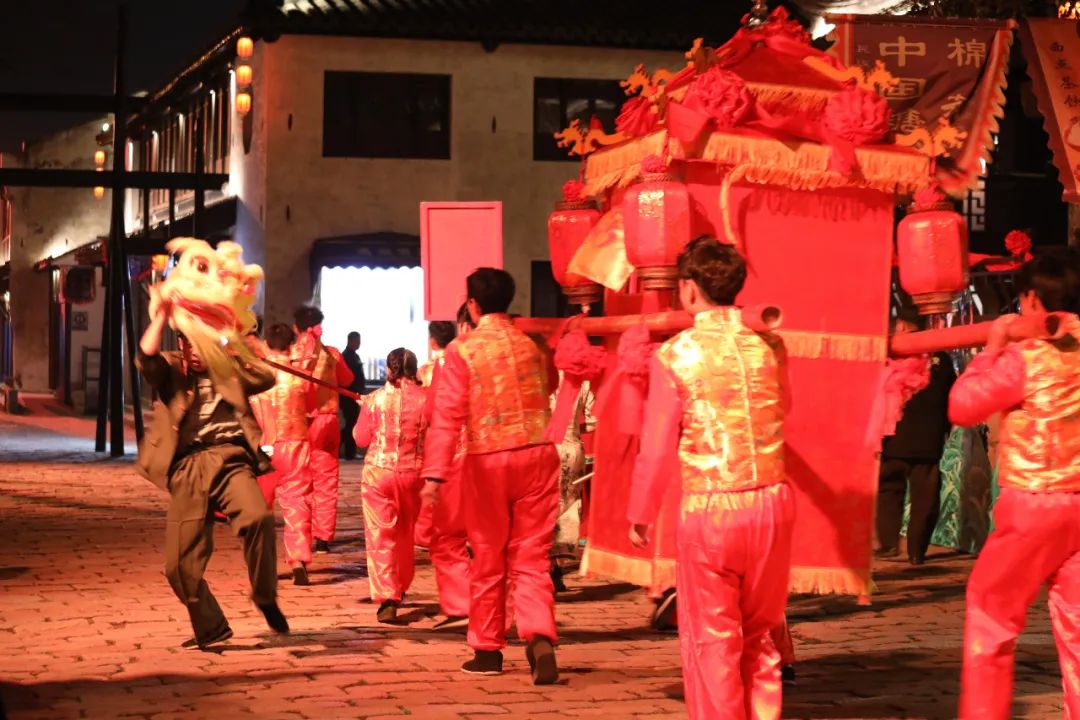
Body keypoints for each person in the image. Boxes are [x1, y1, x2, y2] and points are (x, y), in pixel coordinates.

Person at [628, 237, 793, 719]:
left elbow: (657, 443)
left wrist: (640, 512)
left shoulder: (677, 355)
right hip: (772, 500)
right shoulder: (768, 346)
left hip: (712, 507)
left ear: (689, 288)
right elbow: (783, 409)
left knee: (713, 638)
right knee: (761, 631)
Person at [950, 253, 1080, 720]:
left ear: (1032, 299)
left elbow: (964, 406)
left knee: (991, 615)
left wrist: (991, 348)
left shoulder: (1027, 357)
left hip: (1034, 505)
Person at [422, 269, 561, 684]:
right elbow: (550, 384)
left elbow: (447, 416)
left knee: (487, 554)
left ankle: (487, 650)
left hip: (488, 460)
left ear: (472, 304)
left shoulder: (462, 350)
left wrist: (434, 476)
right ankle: (538, 635)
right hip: (538, 453)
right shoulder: (533, 345)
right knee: (532, 555)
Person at [136, 298, 288, 650]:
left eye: (200, 344)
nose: (193, 352)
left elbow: (266, 375)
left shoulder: (228, 370)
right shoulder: (172, 369)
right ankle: (211, 626)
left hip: (230, 458)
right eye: (188, 344)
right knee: (179, 567)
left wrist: (233, 348)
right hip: (188, 465)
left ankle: (265, 595)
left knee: (258, 518)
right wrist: (161, 314)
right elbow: (146, 356)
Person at [354, 348, 428, 624]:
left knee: (380, 535)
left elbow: (360, 439)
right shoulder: (427, 399)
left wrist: (365, 410)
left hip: (379, 473)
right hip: (414, 474)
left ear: (389, 369)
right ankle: (401, 584)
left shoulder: (375, 400)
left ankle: (388, 594)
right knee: (405, 533)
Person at [876, 310, 956, 565]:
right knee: (924, 498)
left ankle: (890, 545)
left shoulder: (888, 360)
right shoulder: (940, 359)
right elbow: (953, 398)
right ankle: (915, 551)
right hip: (926, 440)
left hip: (896, 438)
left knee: (891, 491)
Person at [420, 314, 472, 630]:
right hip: (505, 454)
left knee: (447, 535)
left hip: (458, 456)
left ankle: (461, 604)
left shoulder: (445, 362)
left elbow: (435, 413)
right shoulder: (516, 349)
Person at [293, 306, 354, 554]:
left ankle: (301, 534)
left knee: (300, 481)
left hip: (301, 424)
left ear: (296, 327)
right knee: (326, 480)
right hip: (328, 421)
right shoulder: (332, 354)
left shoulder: (290, 355)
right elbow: (347, 380)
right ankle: (323, 538)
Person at [263, 323, 316, 585]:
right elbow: (312, 407)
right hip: (295, 442)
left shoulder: (257, 374)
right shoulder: (301, 377)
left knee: (259, 508)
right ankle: (297, 558)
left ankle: (261, 563)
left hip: (264, 446)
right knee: (297, 502)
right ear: (291, 345)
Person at [415, 321, 458, 550]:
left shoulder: (426, 370)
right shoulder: (462, 361)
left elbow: (427, 406)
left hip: (436, 430)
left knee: (432, 480)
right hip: (462, 432)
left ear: (432, 342)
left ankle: (426, 532)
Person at [341, 331, 366, 460]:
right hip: (348, 395)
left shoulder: (354, 356)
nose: (359, 344)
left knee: (351, 423)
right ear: (351, 341)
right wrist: (355, 392)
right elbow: (348, 379)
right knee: (351, 424)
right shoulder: (346, 356)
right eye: (357, 341)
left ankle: (349, 451)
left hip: (354, 395)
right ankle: (349, 452)